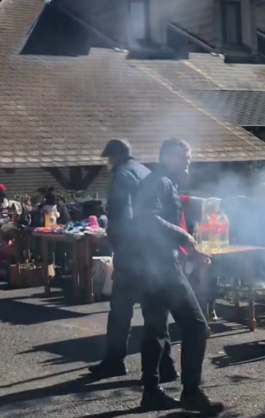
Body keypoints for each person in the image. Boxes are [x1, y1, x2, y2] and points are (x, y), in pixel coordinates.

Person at [133, 139, 222, 414]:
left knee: (156, 331)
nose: (188, 162)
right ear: (170, 157)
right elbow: (148, 219)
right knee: (197, 326)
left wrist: (190, 251)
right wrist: (185, 236)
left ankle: (151, 392)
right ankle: (191, 392)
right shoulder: (158, 182)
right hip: (161, 268)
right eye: (186, 157)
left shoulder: (163, 182)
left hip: (149, 267)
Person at [89, 139, 178, 382]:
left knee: (120, 311)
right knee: (155, 313)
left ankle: (115, 361)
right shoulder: (146, 171)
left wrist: (119, 244)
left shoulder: (123, 175)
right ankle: (167, 365)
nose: (108, 163)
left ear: (114, 157)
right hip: (154, 252)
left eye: (109, 158)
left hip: (132, 253)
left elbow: (121, 215)